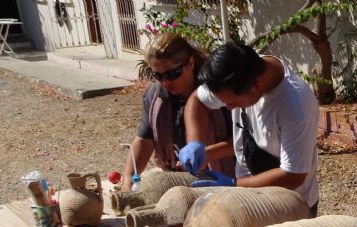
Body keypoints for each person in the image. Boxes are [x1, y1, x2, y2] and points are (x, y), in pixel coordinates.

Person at [179, 42, 320, 216]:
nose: (229, 108)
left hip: (289, 207)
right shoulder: (238, 71)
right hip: (247, 197)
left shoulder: (296, 105)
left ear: (256, 87)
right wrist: (195, 142)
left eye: (233, 103)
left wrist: (233, 184)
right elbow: (197, 101)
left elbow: (294, 175)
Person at [120, 33, 234, 191]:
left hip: (223, 178)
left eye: (172, 74)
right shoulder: (154, 97)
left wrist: (205, 154)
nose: (166, 82)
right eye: (157, 75)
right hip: (179, 179)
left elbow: (241, 141)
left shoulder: (218, 91)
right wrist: (127, 181)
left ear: (190, 63)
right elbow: (144, 140)